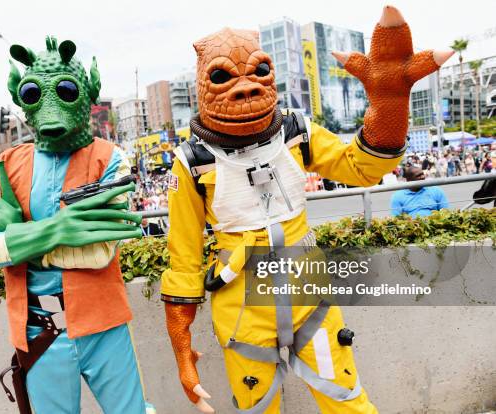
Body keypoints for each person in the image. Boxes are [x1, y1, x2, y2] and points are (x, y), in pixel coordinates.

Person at [161, 6, 453, 414]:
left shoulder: (297, 133)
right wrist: (180, 345)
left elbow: (361, 167)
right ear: (202, 85)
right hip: (242, 298)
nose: (243, 90)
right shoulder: (191, 161)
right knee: (257, 407)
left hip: (307, 289)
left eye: (257, 73)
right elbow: (184, 254)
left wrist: (389, 101)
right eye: (223, 77)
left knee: (347, 398)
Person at [0, 37, 154, 414]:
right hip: (39, 333)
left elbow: (99, 250)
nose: (50, 107)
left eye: (65, 90)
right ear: (22, 99)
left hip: (103, 324)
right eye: (33, 92)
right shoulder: (2, 168)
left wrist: (16, 237)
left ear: (86, 93)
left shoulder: (109, 158)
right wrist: (59, 230)